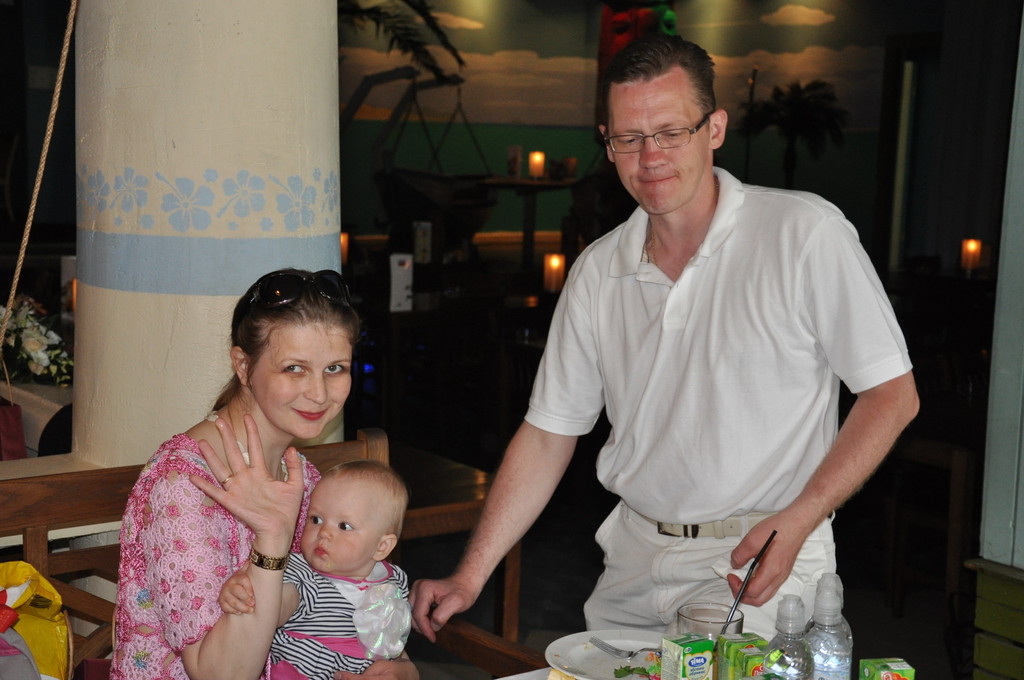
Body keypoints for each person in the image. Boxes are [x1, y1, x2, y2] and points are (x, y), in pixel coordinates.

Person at [410, 34, 920, 639]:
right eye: (628, 138)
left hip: (756, 559)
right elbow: (548, 435)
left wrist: (803, 517)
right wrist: (470, 575)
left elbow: (893, 396)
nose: (649, 156)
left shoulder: (804, 233)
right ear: (608, 143)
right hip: (632, 559)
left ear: (715, 129)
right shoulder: (597, 270)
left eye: (670, 132)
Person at [112, 268, 418, 680]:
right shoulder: (183, 485)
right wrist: (272, 539)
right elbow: (219, 675)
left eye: (335, 368)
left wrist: (401, 670)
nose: (319, 394)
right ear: (243, 366)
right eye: (294, 368)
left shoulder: (303, 475)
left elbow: (346, 604)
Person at [218, 460, 411, 680]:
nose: (323, 532)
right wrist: (246, 595)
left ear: (382, 547)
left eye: (344, 526)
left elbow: (395, 642)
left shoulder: (394, 581)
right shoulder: (302, 574)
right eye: (316, 519)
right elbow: (272, 610)